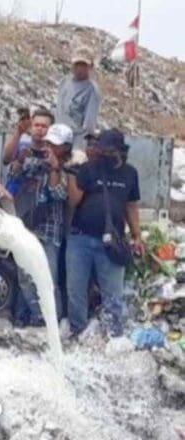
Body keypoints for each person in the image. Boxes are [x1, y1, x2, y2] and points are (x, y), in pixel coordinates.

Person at [66, 129, 142, 338]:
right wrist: (72, 174)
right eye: (102, 150)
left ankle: (113, 334)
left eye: (109, 151)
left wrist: (137, 236)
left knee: (113, 294)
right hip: (80, 239)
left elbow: (131, 207)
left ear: (119, 151)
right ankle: (77, 332)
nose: (105, 155)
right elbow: (74, 200)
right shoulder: (88, 169)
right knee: (76, 289)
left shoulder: (130, 173)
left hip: (112, 243)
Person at [9, 123, 72, 326]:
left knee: (49, 280)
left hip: (49, 232)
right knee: (25, 278)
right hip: (27, 228)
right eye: (48, 142)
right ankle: (38, 317)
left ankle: (52, 322)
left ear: (66, 148)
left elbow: (58, 194)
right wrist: (21, 159)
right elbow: (13, 176)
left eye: (56, 144)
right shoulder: (36, 163)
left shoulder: (69, 168)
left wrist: (54, 167)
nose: (50, 147)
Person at [55, 47, 101, 149]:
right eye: (77, 64)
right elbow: (57, 109)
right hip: (57, 135)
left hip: (75, 139)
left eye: (84, 65)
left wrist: (79, 147)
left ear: (90, 67)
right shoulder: (64, 82)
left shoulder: (92, 90)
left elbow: (89, 124)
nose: (80, 68)